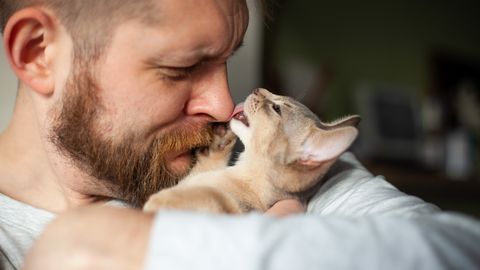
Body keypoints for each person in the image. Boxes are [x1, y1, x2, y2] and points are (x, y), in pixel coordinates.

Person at [1, 1, 479, 270]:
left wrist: (113, 246)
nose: (223, 103)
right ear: (38, 52)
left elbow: (462, 250)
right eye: (181, 67)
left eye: (227, 59)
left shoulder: (257, 159)